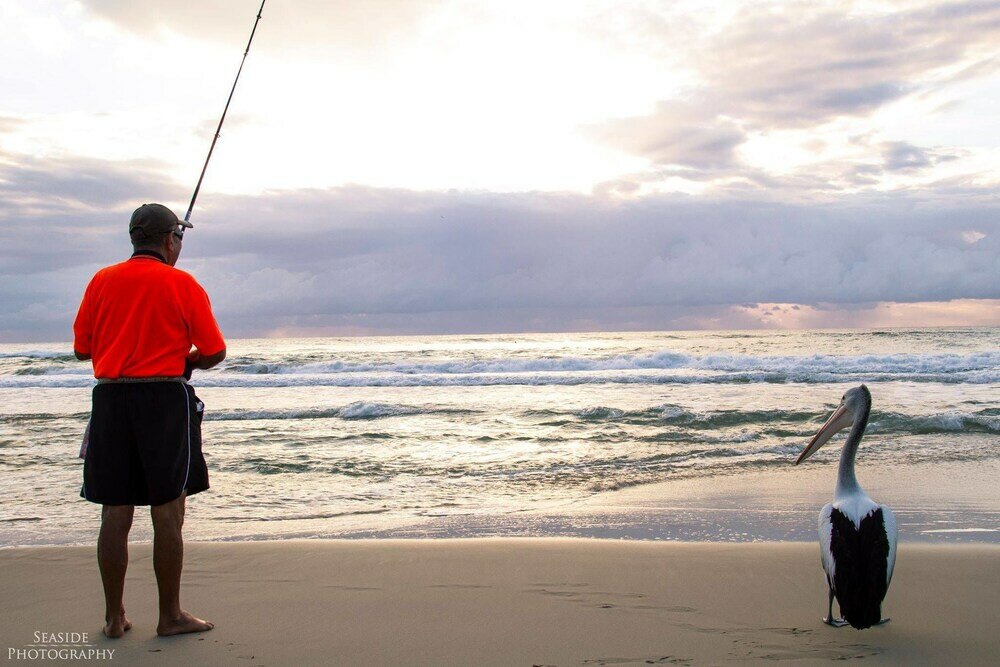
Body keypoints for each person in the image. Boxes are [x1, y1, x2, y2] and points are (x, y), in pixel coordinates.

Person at [73, 203, 227, 639]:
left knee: (115, 509)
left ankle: (114, 617)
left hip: (111, 399)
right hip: (163, 399)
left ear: (134, 238)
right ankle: (170, 615)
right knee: (168, 509)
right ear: (169, 240)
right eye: (178, 237)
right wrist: (188, 361)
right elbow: (214, 351)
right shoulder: (182, 283)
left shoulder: (101, 280)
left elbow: (82, 350)